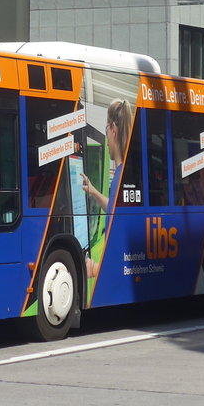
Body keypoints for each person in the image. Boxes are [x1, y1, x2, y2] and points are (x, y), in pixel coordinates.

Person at [80, 98, 133, 278]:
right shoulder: (125, 173)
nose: (107, 140)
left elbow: (122, 250)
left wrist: (94, 269)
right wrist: (94, 191)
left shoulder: (120, 178)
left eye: (106, 130)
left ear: (113, 129)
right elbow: (114, 208)